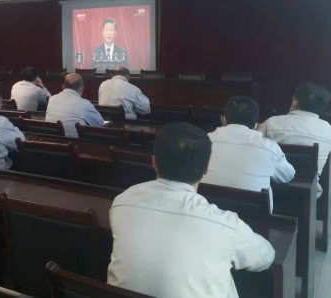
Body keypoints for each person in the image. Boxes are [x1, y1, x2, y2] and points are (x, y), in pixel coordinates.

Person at [107, 122, 274, 298]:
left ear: (153, 161)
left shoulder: (122, 202)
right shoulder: (224, 224)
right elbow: (265, 257)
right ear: (206, 169)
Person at [201, 96, 295, 211]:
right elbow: (287, 175)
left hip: (207, 211)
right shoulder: (269, 147)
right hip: (253, 216)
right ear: (256, 125)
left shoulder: (204, 141)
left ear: (223, 119)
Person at [259, 82, 331, 198]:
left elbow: (257, 147)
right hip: (308, 193)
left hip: (271, 188)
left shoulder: (272, 123)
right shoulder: (329, 131)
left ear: (295, 101)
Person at [45, 73, 104, 137]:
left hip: (52, 141)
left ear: (63, 87)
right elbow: (100, 123)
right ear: (82, 89)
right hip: (76, 142)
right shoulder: (85, 104)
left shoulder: (51, 99)